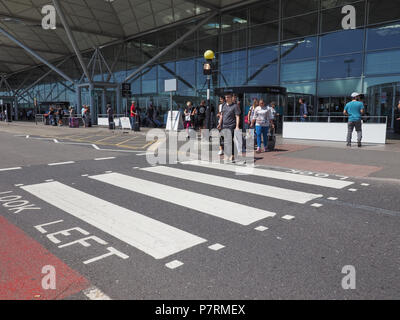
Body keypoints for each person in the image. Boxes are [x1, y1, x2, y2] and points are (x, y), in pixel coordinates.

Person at [218, 93, 241, 162]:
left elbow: (237, 116)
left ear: (231, 98)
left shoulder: (235, 106)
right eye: (226, 97)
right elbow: (222, 115)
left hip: (231, 125)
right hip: (224, 125)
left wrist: (237, 126)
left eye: (228, 97)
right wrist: (220, 123)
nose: (226, 98)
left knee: (230, 140)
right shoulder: (224, 105)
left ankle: (232, 155)